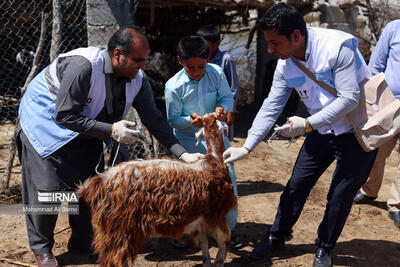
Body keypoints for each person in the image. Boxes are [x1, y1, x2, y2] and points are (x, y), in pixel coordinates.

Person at [17, 27, 203, 267]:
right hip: (44, 122)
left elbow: (153, 119)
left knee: (88, 189)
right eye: (137, 60)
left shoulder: (137, 79)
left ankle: (83, 243)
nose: (143, 65)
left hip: (85, 129)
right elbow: (64, 115)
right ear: (117, 54)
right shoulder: (84, 67)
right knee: (48, 191)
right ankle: (42, 248)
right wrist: (112, 130)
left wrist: (183, 153)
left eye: (145, 60)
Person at [222, 3, 377, 267]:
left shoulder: (337, 48)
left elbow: (349, 99)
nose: (270, 50)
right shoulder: (285, 64)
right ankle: (276, 237)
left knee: (339, 196)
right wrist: (247, 147)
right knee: (295, 186)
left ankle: (324, 248)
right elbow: (272, 106)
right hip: (320, 130)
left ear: (296, 36)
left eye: (274, 42)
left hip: (356, 132)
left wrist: (306, 124)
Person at [164, 35, 241, 248]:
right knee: (186, 189)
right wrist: (191, 121)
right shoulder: (173, 86)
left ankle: (227, 231)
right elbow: (173, 120)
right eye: (190, 67)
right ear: (180, 61)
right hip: (188, 144)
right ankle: (185, 232)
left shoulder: (216, 73)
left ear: (208, 59)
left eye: (201, 66)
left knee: (226, 183)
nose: (197, 72)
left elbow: (226, 97)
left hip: (216, 140)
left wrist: (222, 108)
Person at [353, 19, 400, 229]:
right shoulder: (394, 28)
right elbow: (376, 65)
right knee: (376, 152)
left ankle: (396, 205)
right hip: (389, 102)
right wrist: (373, 101)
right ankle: (369, 190)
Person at [196, 24, 239, 142]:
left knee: (221, 141)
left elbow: (233, 88)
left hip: (221, 110)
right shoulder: (197, 59)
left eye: (205, 43)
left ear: (217, 44)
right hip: (203, 109)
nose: (202, 46)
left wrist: (231, 111)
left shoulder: (225, 59)